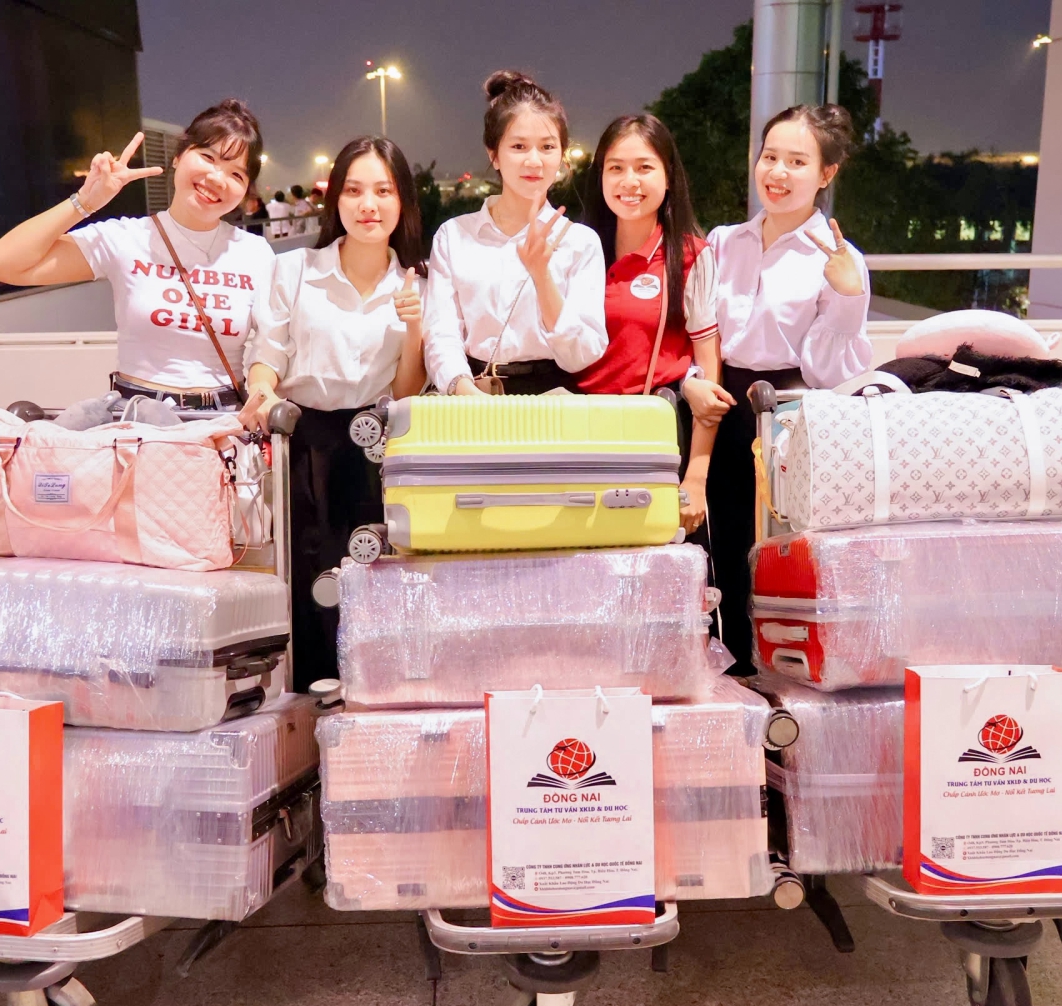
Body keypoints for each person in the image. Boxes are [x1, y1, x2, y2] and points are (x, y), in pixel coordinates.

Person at [242, 136, 428, 689]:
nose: (368, 205)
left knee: (375, 580)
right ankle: (305, 706)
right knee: (304, 575)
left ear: (403, 201)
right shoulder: (294, 269)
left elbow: (407, 388)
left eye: (383, 191)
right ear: (336, 200)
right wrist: (263, 391)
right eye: (354, 191)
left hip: (375, 448)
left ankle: (371, 702)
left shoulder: (417, 283)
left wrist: (415, 327)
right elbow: (267, 353)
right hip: (301, 439)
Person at [705, 102, 872, 674]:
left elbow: (831, 367)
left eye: (797, 161)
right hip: (722, 405)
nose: (777, 172)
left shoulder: (838, 257)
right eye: (770, 156)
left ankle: (786, 669)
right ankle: (732, 668)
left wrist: (848, 295)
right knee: (722, 542)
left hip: (793, 414)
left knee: (785, 548)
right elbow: (701, 330)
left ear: (827, 173)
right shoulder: (725, 241)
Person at [0, 99, 271, 410]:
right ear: (178, 156)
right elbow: (2, 265)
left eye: (236, 175)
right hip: (137, 416)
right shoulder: (126, 238)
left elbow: (272, 346)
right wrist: (85, 201)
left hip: (223, 420)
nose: (217, 178)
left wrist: (263, 397)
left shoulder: (254, 253)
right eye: (208, 157)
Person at [577, 113, 735, 538]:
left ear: (668, 178)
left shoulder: (691, 256)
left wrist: (696, 478)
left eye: (644, 167)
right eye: (616, 168)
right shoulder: (576, 250)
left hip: (652, 437)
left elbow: (709, 378)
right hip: (579, 435)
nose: (629, 181)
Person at [423, 70, 606, 396]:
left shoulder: (580, 242)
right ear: (493, 154)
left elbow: (582, 354)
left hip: (552, 398)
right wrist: (464, 390)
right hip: (473, 392)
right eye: (519, 146)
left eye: (547, 147)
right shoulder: (454, 236)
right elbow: (441, 332)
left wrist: (542, 276)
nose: (534, 161)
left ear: (561, 155)